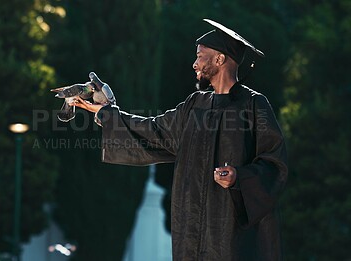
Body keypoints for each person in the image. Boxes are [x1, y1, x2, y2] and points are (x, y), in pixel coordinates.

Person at [72, 18, 288, 261]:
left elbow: (274, 163)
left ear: (219, 59)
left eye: (200, 55)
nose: (194, 64)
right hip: (190, 228)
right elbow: (154, 130)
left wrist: (240, 176)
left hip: (229, 231)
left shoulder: (253, 105)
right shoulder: (195, 105)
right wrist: (107, 114)